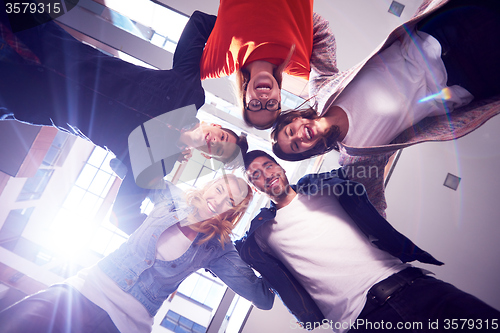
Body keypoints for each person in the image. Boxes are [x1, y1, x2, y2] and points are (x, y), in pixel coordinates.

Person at [0, 9, 247, 233]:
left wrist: (174, 237)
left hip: (34, 98)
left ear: (207, 156)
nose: (214, 142)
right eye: (223, 137)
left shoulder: (158, 165)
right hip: (58, 49)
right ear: (216, 127)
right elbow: (199, 24)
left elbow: (123, 216)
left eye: (218, 150)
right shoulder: (189, 91)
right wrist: (248, 36)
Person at [270, 0, 500, 213]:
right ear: (308, 151)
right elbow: (374, 206)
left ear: (295, 120)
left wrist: (274, 16)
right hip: (463, 82)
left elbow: (319, 34)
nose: (299, 137)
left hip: (436, 36)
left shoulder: (322, 91)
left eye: (291, 132)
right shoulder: (356, 159)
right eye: (297, 146)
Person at [236, 149, 500, 332]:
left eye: (268, 165)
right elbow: (229, 257)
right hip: (363, 323)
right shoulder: (260, 235)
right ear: (254, 187)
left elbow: (366, 153)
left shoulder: (326, 186)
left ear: (280, 167)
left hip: (416, 287)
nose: (265, 174)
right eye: (255, 175)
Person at [0, 174, 274, 333]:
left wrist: (263, 244)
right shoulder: (171, 198)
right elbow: (136, 162)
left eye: (230, 200)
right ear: (208, 185)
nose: (218, 200)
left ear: (233, 211)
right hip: (81, 292)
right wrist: (185, 140)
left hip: (125, 327)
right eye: (219, 189)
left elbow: (262, 298)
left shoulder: (219, 248)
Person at [199, 0, 338, 129]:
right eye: (271, 105)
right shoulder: (302, 66)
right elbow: (321, 27)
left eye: (255, 105)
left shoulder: (218, 64)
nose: (264, 99)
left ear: (244, 97)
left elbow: (180, 74)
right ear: (279, 97)